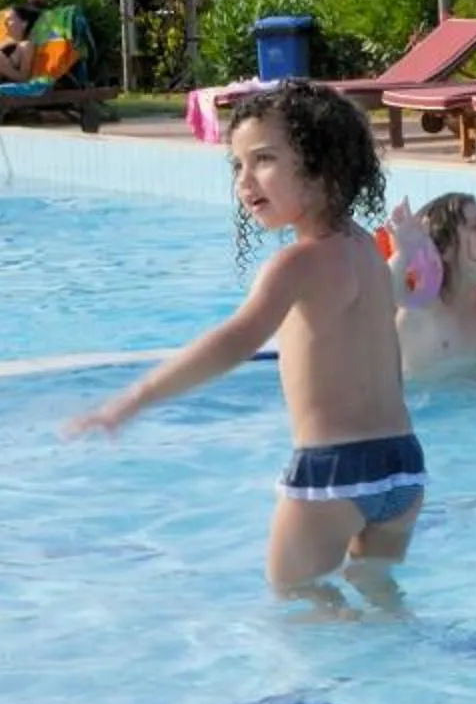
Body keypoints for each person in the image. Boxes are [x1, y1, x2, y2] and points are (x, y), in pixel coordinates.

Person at [66, 81, 421, 606]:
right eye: (237, 165)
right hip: (402, 466)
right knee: (376, 590)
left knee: (296, 595)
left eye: (263, 160)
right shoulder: (364, 248)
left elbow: (234, 341)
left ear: (323, 165)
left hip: (332, 471)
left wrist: (136, 396)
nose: (245, 180)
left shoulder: (297, 264)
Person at [381, 192, 476, 381]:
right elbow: (387, 291)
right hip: (418, 402)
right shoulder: (424, 303)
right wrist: (404, 253)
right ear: (444, 248)